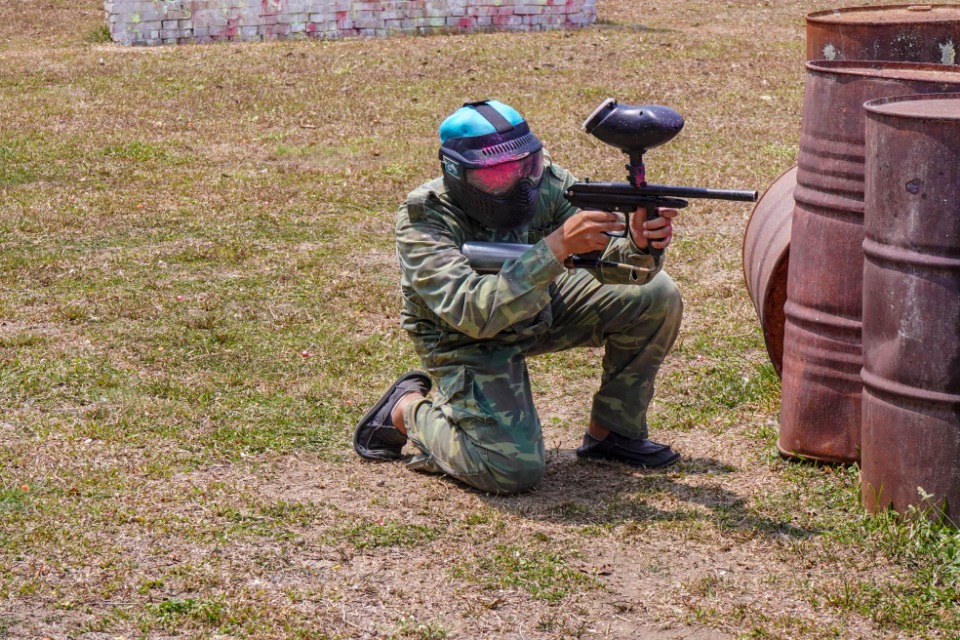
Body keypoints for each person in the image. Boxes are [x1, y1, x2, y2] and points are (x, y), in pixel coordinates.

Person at [353, 99, 683, 494]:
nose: (520, 184)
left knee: (654, 294)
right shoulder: (426, 217)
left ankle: (613, 431)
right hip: (465, 338)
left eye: (527, 167)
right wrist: (556, 248)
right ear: (458, 173)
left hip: (538, 309)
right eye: (498, 175)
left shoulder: (548, 184)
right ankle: (406, 410)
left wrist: (640, 245)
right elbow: (473, 313)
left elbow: (620, 268)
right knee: (510, 469)